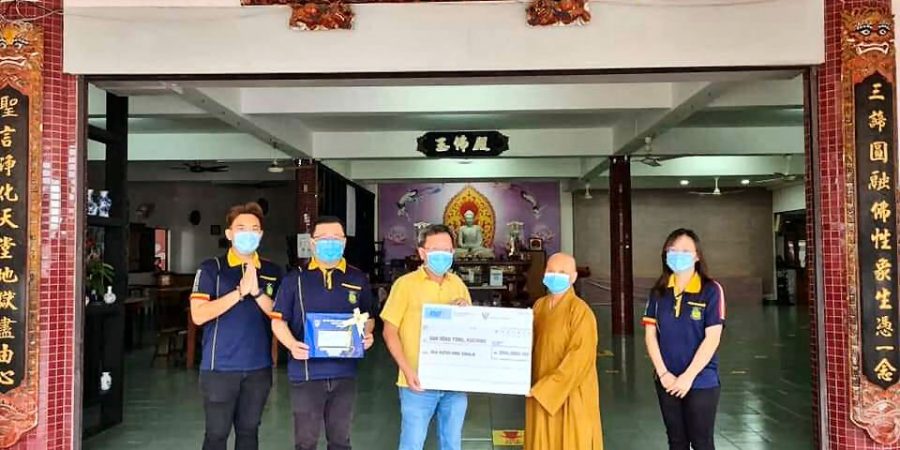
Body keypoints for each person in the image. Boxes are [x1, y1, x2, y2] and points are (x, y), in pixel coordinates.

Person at [270, 216, 375, 450]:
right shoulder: (295, 279)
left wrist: (366, 334)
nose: (331, 242)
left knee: (340, 441)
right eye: (324, 238)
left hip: (344, 372)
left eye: (336, 238)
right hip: (307, 372)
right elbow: (277, 321)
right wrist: (292, 345)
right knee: (306, 441)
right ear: (312, 242)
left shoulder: (357, 278)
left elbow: (367, 317)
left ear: (344, 242)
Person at [189, 202, 282, 450]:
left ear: (261, 234)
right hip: (219, 368)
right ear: (229, 233)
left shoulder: (272, 271)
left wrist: (257, 292)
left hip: (258, 369)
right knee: (216, 435)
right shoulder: (212, 269)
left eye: (254, 229)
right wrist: (239, 293)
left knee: (249, 433)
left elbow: (281, 315)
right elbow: (198, 315)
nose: (248, 234)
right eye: (241, 228)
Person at [381, 224, 471, 450]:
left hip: (454, 383)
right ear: (422, 253)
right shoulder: (405, 285)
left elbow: (470, 331)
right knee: (412, 443)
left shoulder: (458, 285)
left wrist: (465, 312)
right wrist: (407, 370)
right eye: (435, 250)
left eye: (447, 250)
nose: (442, 255)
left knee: (452, 443)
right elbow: (389, 331)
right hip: (417, 382)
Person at [642, 229, 725, 450]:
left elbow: (712, 338)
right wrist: (663, 374)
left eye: (686, 251)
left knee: (702, 442)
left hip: (701, 381)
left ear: (697, 256)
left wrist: (688, 377)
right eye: (673, 250)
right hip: (666, 380)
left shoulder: (711, 290)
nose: (678, 255)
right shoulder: (658, 292)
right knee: (676, 442)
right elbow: (650, 336)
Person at [525, 253, 602, 450]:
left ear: (573, 277)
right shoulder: (539, 306)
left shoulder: (581, 312)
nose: (555, 276)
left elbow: (579, 360)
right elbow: (525, 344)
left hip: (570, 393)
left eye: (562, 272)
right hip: (539, 388)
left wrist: (545, 389)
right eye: (551, 271)